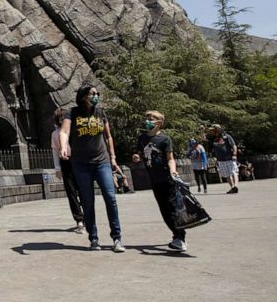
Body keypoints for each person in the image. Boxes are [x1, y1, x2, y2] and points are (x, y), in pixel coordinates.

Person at [58, 85, 125, 253]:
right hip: (81, 164)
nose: (96, 96)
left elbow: (108, 136)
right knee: (88, 202)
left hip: (102, 162)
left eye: (97, 93)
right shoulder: (71, 113)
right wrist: (63, 146)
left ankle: (117, 238)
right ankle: (93, 238)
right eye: (92, 93)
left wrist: (113, 158)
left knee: (111, 198)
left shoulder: (100, 113)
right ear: (84, 96)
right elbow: (64, 131)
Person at [134, 111, 188, 252]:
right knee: (164, 210)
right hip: (154, 180)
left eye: (151, 119)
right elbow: (139, 154)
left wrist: (173, 171)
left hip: (167, 179)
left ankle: (180, 237)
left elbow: (170, 158)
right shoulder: (142, 138)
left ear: (159, 123)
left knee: (173, 207)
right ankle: (177, 235)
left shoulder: (164, 139)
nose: (147, 121)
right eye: (147, 118)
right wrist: (136, 157)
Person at [50, 108, 84, 233]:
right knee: (71, 192)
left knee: (83, 189)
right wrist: (57, 168)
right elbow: (55, 151)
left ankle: (88, 217)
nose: (62, 120)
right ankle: (79, 219)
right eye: (60, 118)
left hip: (79, 161)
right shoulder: (55, 134)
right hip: (65, 162)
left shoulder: (75, 131)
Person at [208, 124, 239, 194]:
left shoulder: (226, 136)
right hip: (220, 159)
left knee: (234, 172)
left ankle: (236, 186)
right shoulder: (213, 138)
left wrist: (234, 154)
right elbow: (204, 139)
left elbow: (234, 145)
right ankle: (232, 187)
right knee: (227, 174)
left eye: (213, 130)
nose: (211, 132)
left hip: (229, 158)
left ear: (217, 130)